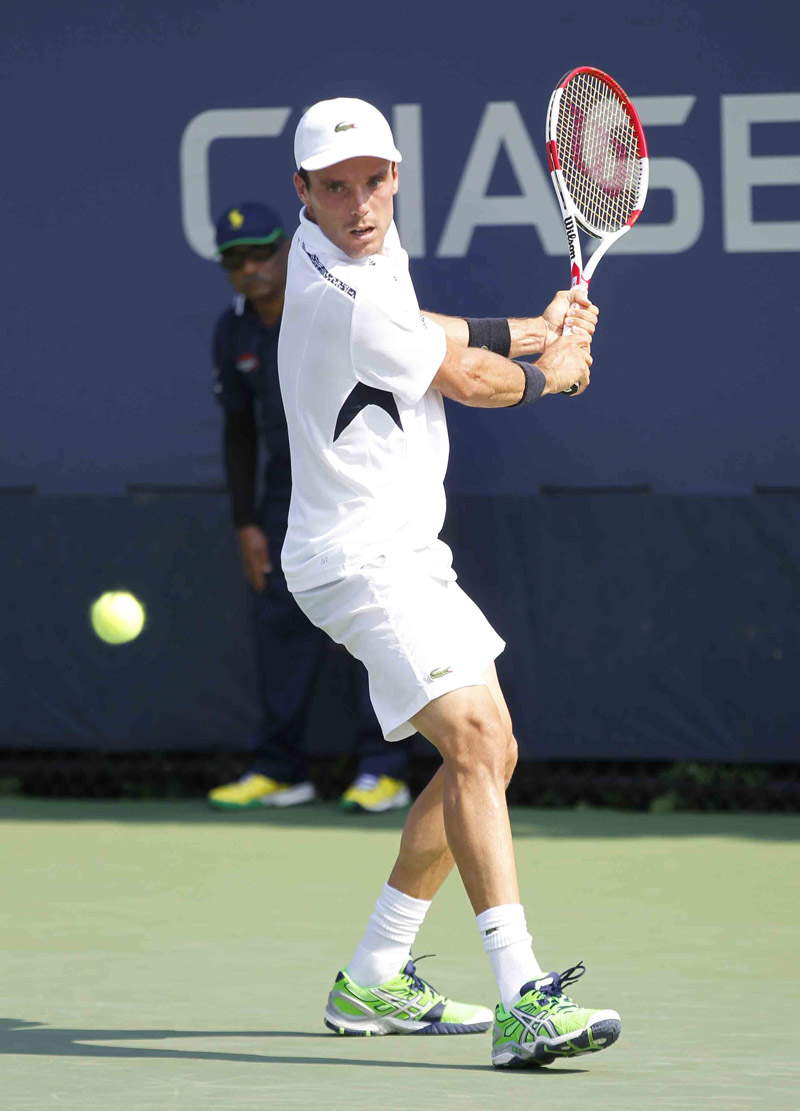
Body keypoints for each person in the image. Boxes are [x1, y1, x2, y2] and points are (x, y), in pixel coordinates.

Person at [277, 98, 621, 1067]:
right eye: (334, 187)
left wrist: (530, 326)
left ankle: (375, 974)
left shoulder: (360, 251)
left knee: (490, 750)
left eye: (371, 181)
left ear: (394, 176)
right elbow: (464, 381)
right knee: (472, 737)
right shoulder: (338, 290)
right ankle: (523, 996)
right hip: (357, 559)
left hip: (405, 549)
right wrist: (554, 370)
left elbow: (420, 324)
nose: (358, 203)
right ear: (302, 191)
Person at [206, 200, 412, 814]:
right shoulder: (232, 331)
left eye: (260, 253)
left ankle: (383, 770)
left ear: (286, 250)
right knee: (281, 625)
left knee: (373, 619)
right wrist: (246, 522)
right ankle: (279, 770)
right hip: (284, 496)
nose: (249, 269)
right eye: (235, 261)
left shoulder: (329, 303)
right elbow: (238, 430)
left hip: (358, 484)